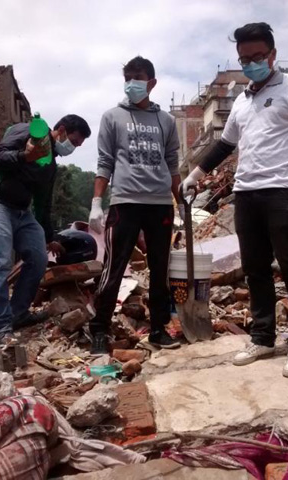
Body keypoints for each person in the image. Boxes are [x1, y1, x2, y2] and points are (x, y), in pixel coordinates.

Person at [182, 23, 288, 378]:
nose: (252, 63)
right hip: (246, 193)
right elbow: (224, 145)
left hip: (283, 191)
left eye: (257, 57)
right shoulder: (241, 100)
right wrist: (196, 174)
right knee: (255, 270)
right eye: (245, 59)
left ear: (272, 54)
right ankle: (263, 336)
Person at [88, 56, 183, 355]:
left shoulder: (166, 121)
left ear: (151, 82)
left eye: (137, 77)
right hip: (125, 203)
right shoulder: (112, 117)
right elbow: (104, 162)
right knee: (113, 268)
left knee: (159, 269)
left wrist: (181, 204)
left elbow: (173, 165)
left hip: (159, 205)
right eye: (127, 77)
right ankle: (99, 331)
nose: (131, 83)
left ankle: (158, 329)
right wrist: (96, 202)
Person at [0, 114, 91, 345]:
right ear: (62, 130)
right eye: (74, 142)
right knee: (0, 261)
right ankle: (0, 326)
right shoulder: (28, 131)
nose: (73, 148)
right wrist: (25, 156)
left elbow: (42, 203)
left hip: (21, 211)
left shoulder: (50, 166)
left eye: (78, 146)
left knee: (38, 259)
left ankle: (18, 314)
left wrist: (50, 237)